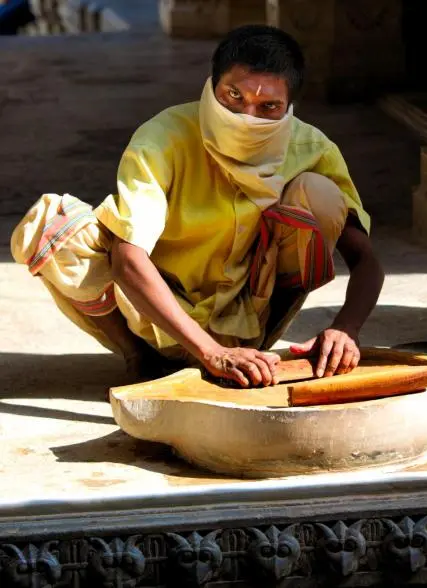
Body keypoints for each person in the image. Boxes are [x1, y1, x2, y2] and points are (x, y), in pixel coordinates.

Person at [11, 25, 384, 388]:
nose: (246, 116)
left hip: (247, 317)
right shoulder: (164, 138)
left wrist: (345, 329)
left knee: (318, 193)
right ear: (211, 84)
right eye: (233, 97)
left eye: (268, 106)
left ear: (289, 107)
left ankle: (255, 343)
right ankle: (139, 357)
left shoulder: (312, 149)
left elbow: (366, 261)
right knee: (52, 224)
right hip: (152, 311)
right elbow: (127, 260)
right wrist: (210, 353)